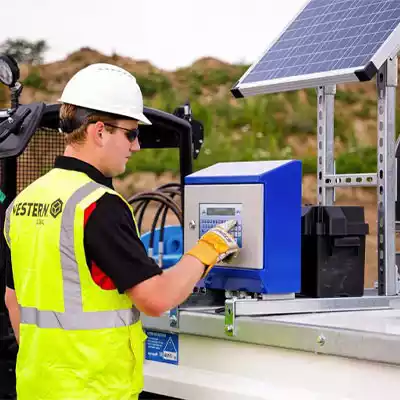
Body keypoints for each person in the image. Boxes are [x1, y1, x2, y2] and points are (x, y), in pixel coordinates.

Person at [3, 63, 239, 400]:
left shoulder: (24, 201)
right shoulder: (98, 205)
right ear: (99, 131)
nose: (137, 146)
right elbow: (156, 299)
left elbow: (14, 300)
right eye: (130, 133)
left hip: (36, 388)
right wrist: (209, 248)